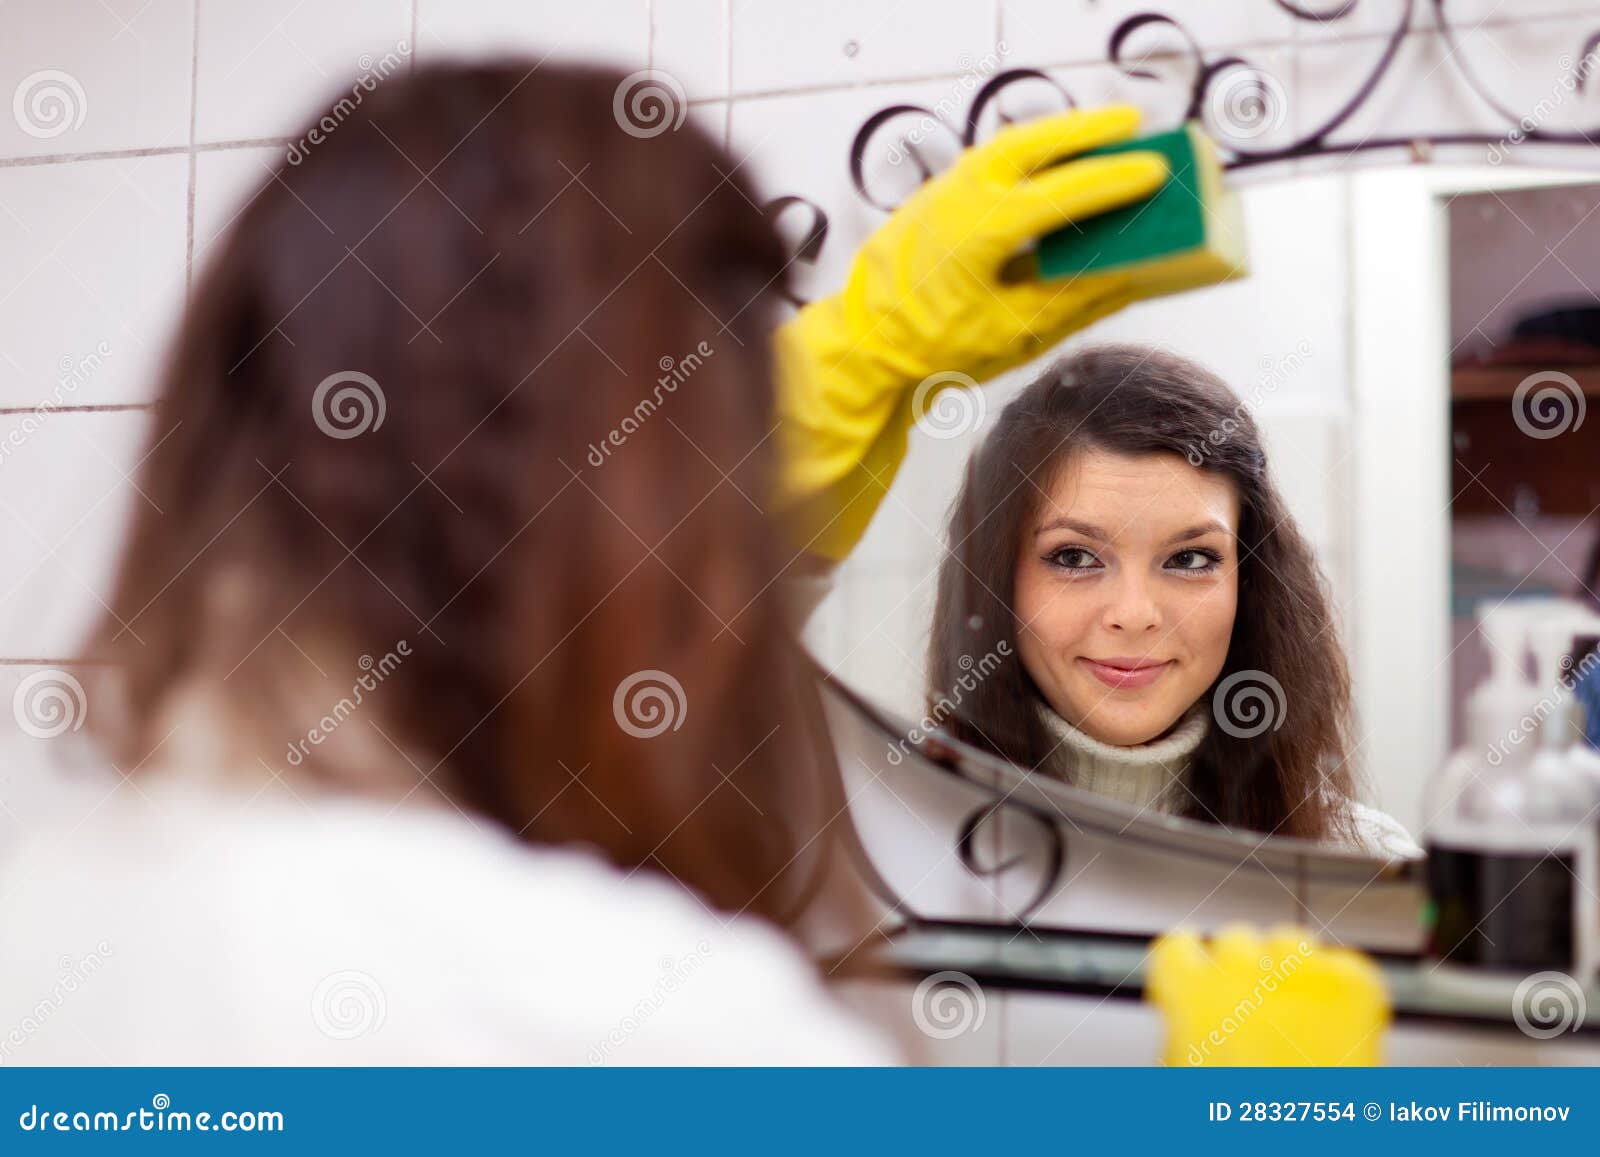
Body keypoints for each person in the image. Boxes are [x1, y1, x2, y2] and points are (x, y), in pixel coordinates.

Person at [924, 346, 1420, 858]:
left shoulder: (1366, 863)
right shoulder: (894, 853)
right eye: (1074, 557)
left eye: (1189, 559)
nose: (1135, 614)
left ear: (1249, 582)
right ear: (996, 582)